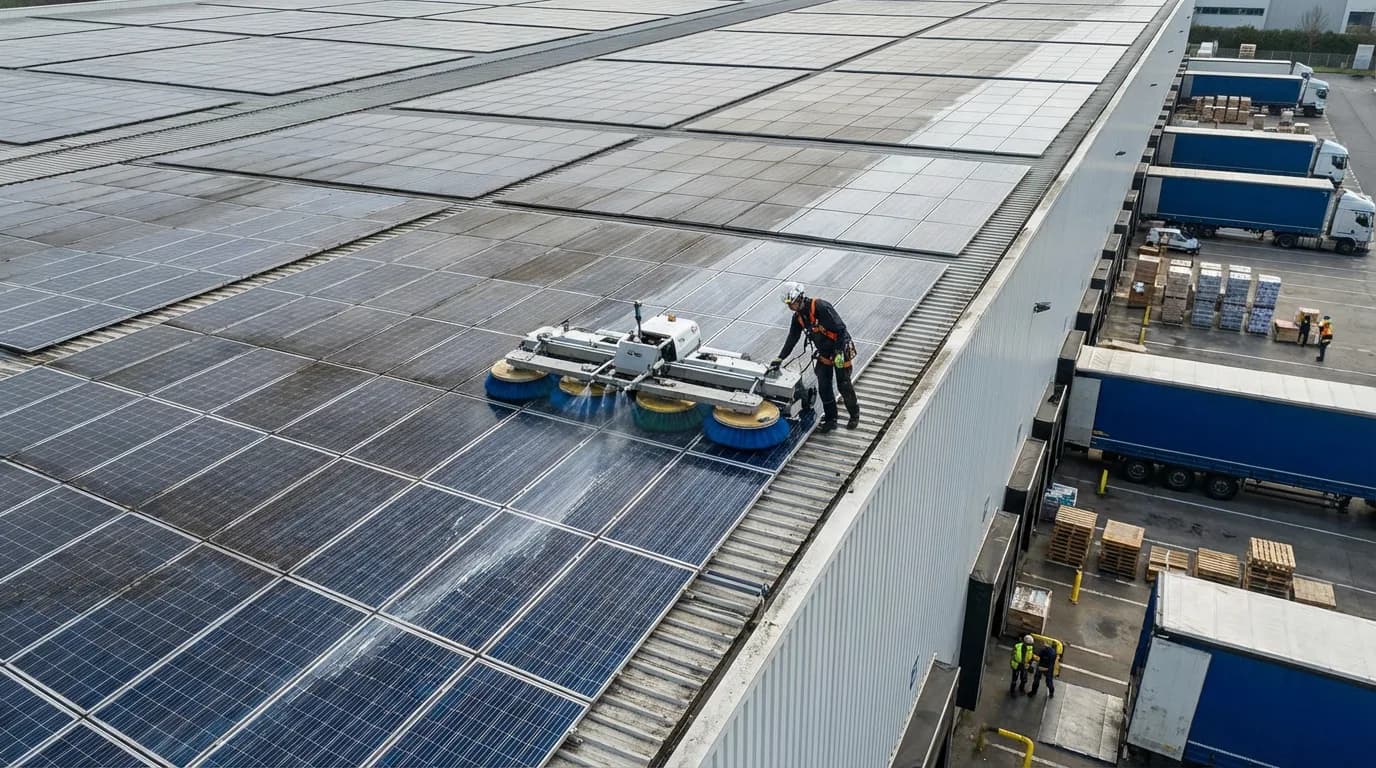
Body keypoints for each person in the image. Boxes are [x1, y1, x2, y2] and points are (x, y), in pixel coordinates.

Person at [772, 282, 860, 433]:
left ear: (800, 298)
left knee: (843, 385)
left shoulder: (820, 307)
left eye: (792, 303)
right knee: (824, 387)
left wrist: (838, 352)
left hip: (840, 350)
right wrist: (780, 358)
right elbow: (792, 338)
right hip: (824, 354)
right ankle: (831, 419)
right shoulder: (798, 318)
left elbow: (840, 329)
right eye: (788, 305)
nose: (790, 307)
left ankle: (854, 415)